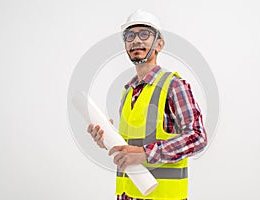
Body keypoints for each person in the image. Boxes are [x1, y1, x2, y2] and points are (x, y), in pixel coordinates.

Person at [87, 9, 207, 200]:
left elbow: (198, 137)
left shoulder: (174, 85)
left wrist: (145, 154)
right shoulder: (127, 92)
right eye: (130, 36)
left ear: (159, 44)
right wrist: (107, 138)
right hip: (128, 194)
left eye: (144, 34)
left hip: (164, 196)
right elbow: (131, 145)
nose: (136, 40)